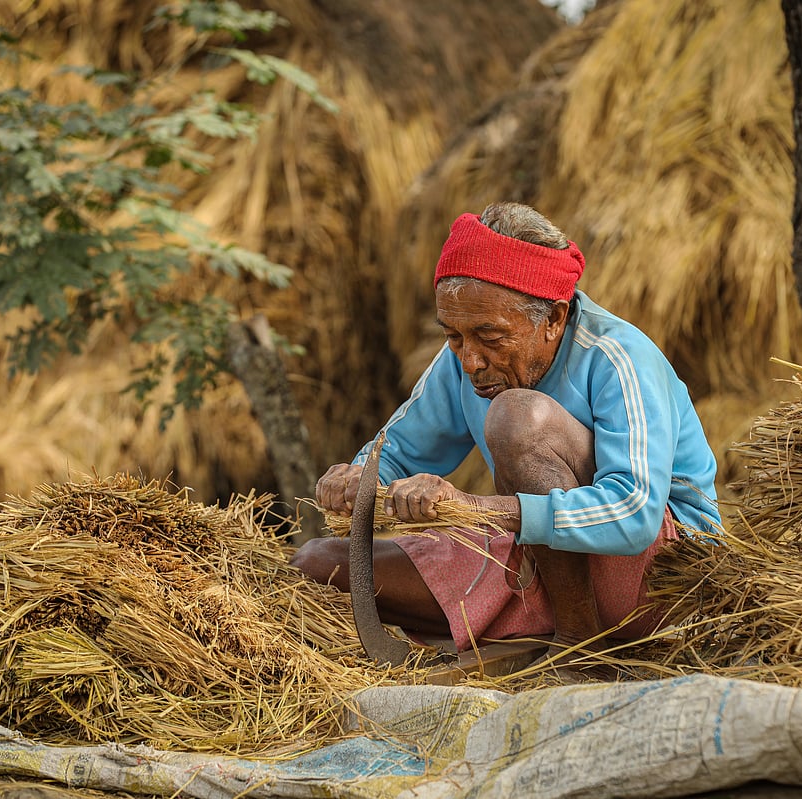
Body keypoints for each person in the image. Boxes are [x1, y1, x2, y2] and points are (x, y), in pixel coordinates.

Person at [291, 202, 720, 673]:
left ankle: (580, 649)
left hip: (662, 577)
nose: (470, 360)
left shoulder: (618, 358)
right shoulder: (466, 357)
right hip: (540, 567)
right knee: (319, 563)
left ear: (553, 320)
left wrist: (478, 510)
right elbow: (396, 449)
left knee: (516, 417)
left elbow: (635, 515)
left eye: (490, 337)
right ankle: (541, 624)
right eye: (454, 337)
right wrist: (357, 477)